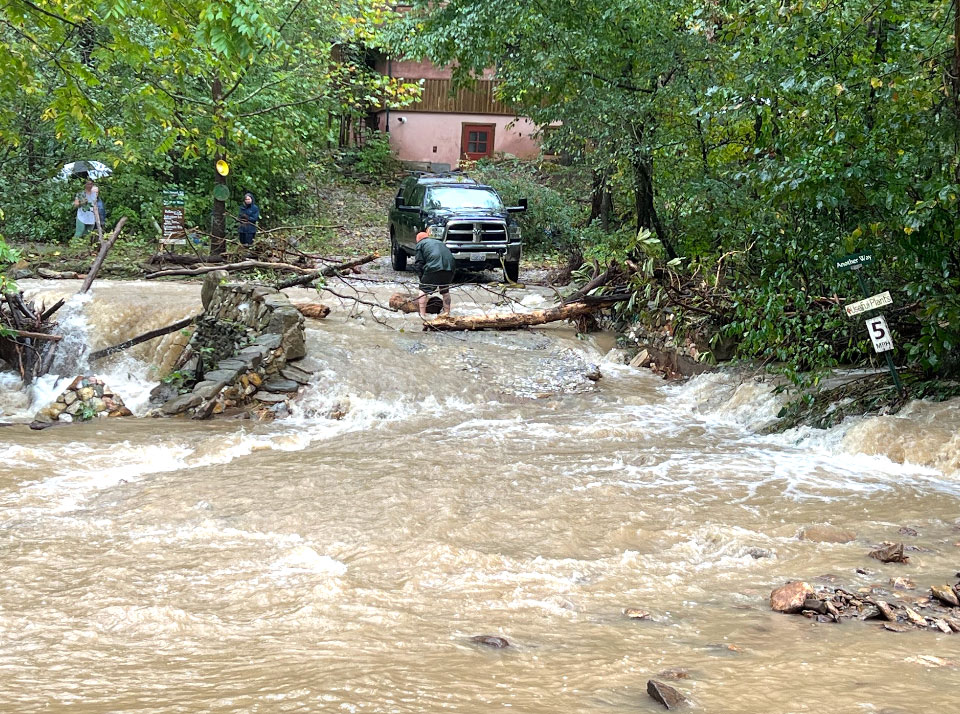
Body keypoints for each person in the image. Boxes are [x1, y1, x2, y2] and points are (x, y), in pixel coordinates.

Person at [414, 229, 456, 317]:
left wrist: (422, 280)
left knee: (422, 291)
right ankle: (447, 314)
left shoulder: (420, 244)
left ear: (418, 240)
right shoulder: (439, 242)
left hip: (434, 266)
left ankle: (422, 315)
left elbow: (419, 263)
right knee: (445, 291)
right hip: (450, 267)